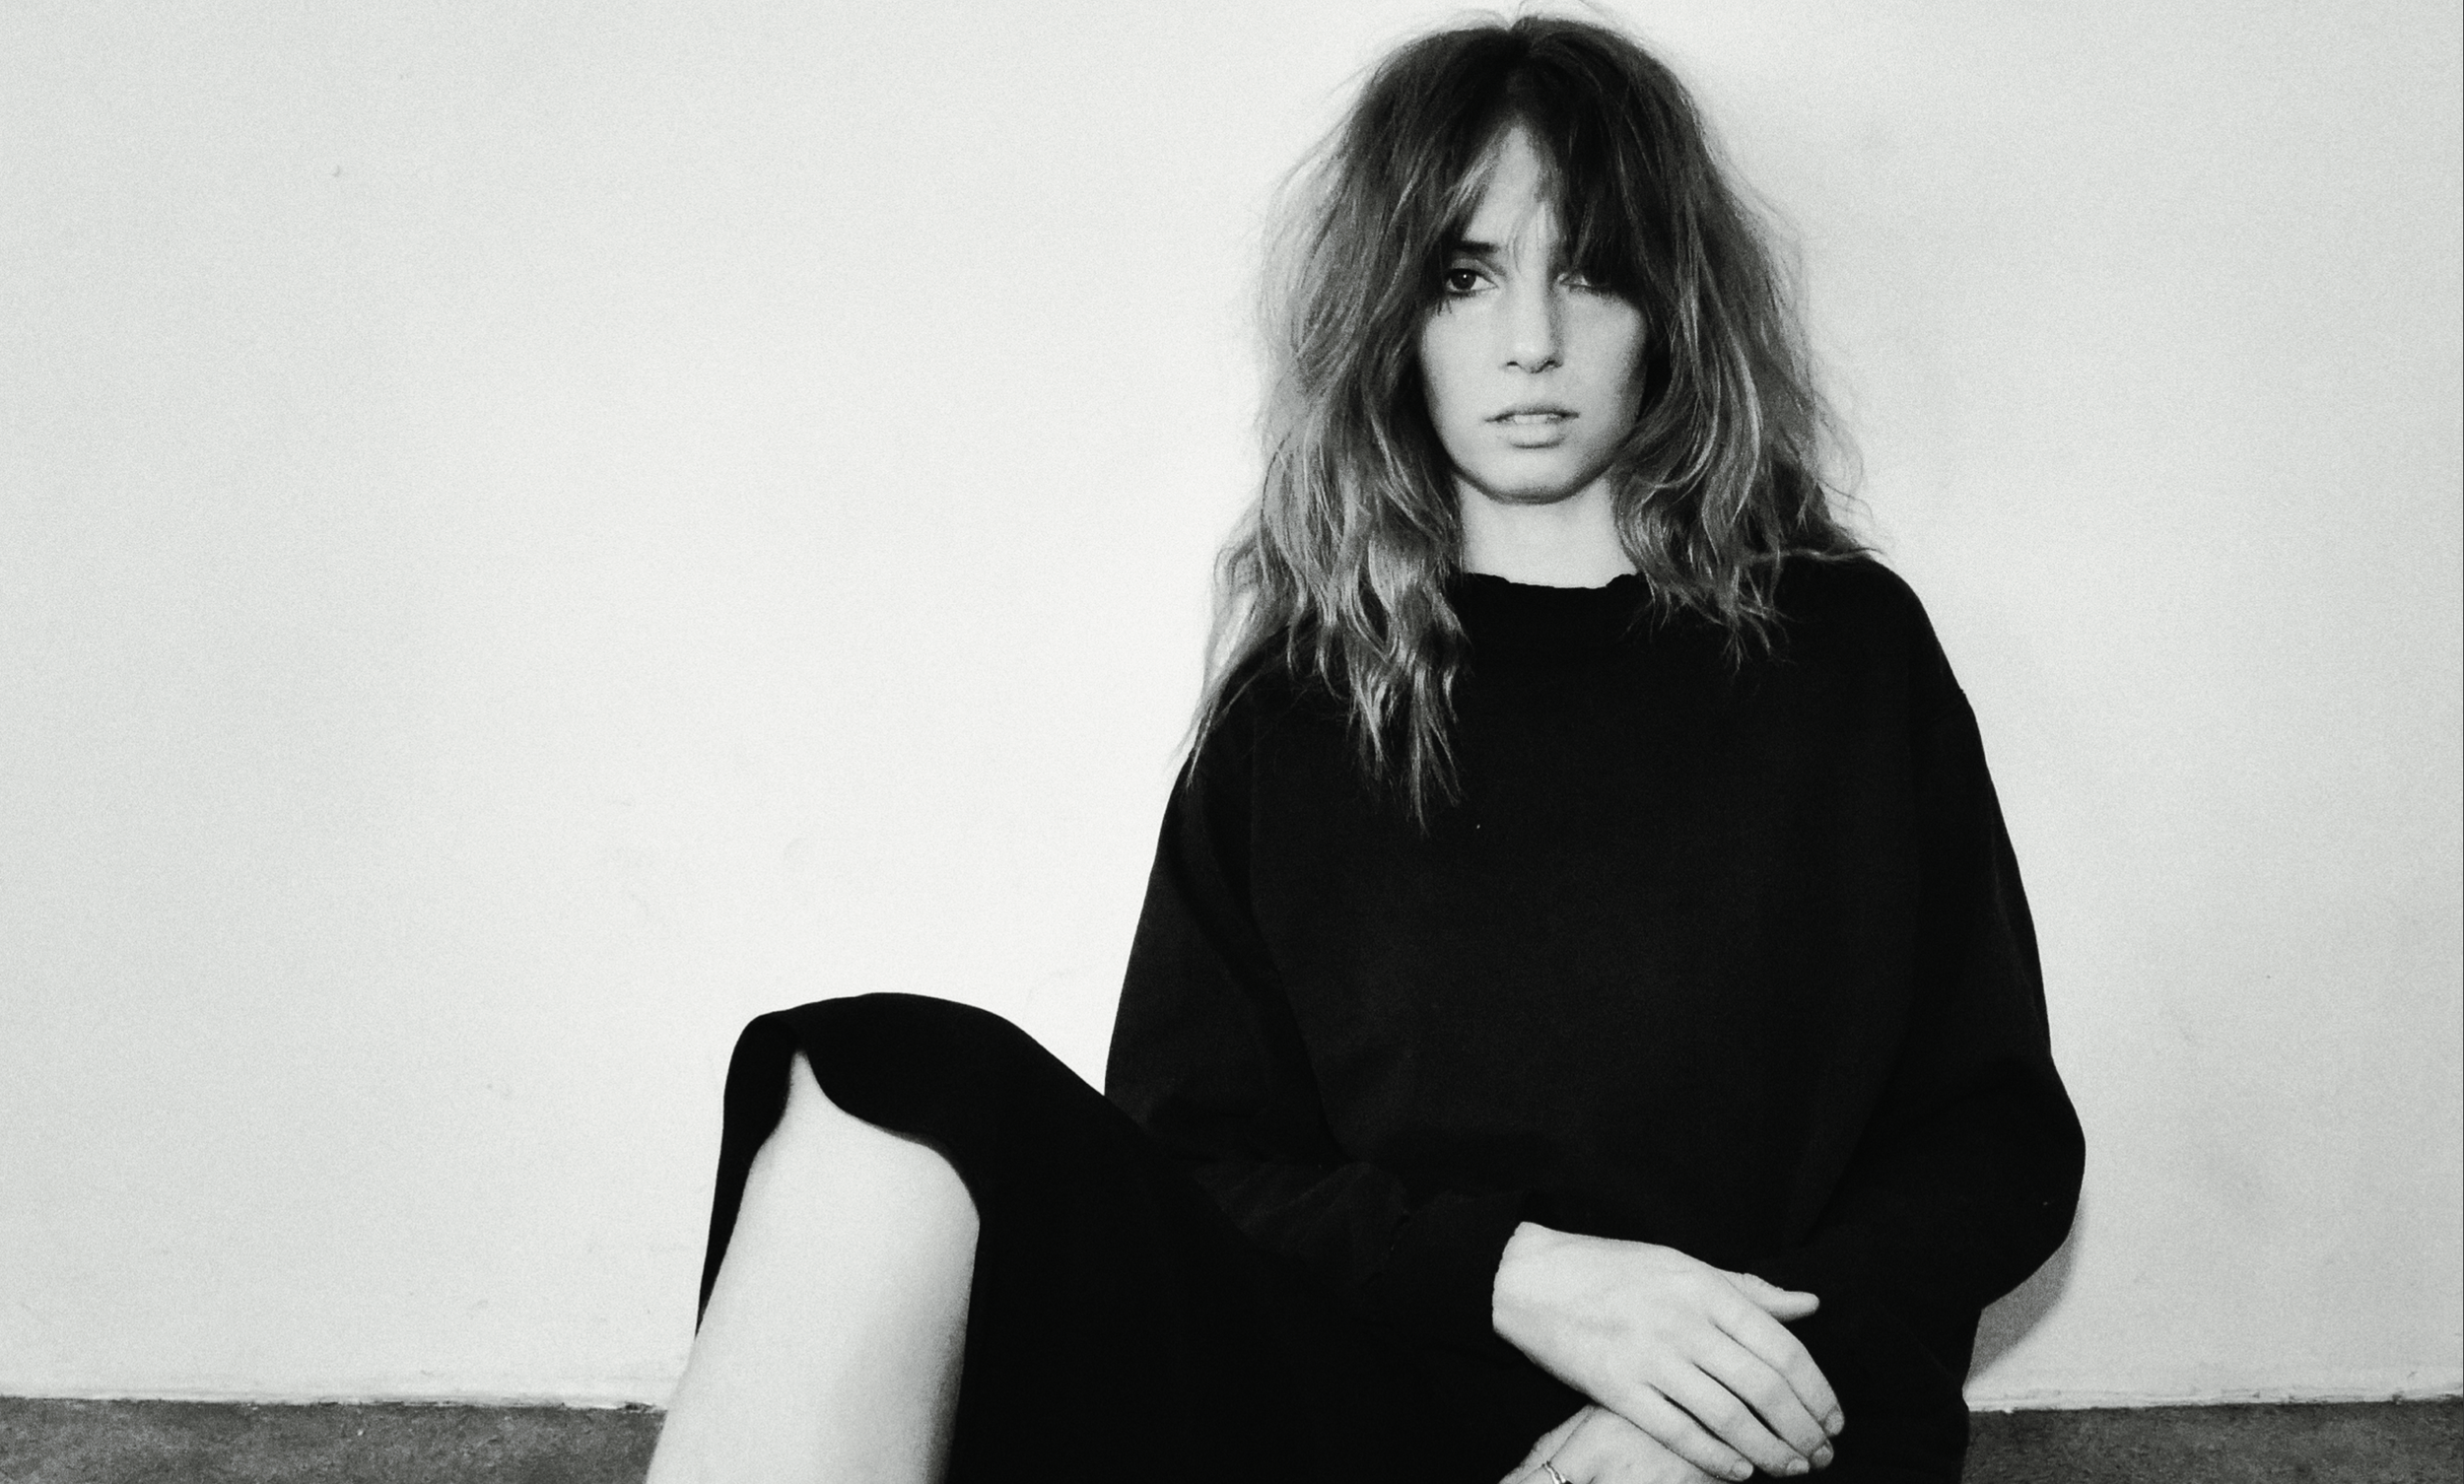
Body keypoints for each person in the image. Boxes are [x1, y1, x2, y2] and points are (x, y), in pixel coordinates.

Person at [646, 14, 2084, 1484]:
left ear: (1672, 303)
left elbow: (1995, 1141)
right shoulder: (1302, 707)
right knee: (875, 1080)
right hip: (1356, 1414)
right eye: (1465, 276)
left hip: (1741, 1430)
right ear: (1392, 314)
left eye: (1591, 268)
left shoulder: (1839, 655)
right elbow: (1198, 1163)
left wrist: (1710, 1405)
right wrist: (1517, 1275)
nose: (1531, 339)